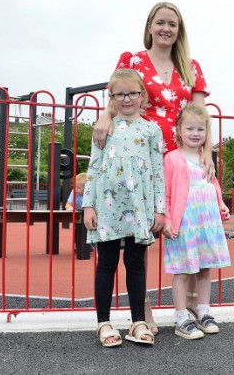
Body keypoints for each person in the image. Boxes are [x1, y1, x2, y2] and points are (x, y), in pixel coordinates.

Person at [92, 1, 215, 332]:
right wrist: (105, 116)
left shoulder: (191, 66)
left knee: (185, 227)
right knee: (141, 232)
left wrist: (207, 151)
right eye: (160, 22)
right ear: (149, 26)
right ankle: (141, 308)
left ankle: (190, 301)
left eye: (172, 24)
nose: (166, 28)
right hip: (142, 158)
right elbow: (118, 95)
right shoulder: (131, 60)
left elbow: (200, 114)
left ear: (179, 30)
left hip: (180, 160)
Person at [83, 69, 165, 347]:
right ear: (112, 97)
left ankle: (137, 322)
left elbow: (157, 172)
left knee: (135, 265)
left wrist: (159, 209)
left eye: (133, 93)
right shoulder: (103, 127)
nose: (127, 98)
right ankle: (103, 323)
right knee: (106, 264)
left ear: (142, 96)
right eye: (120, 94)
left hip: (139, 208)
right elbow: (93, 167)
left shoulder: (152, 130)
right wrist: (88, 206)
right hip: (107, 209)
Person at [163, 104, 231, 340]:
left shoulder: (206, 158)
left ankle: (203, 311)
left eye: (200, 129)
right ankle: (181, 317)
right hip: (185, 224)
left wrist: (220, 203)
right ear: (179, 130)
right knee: (182, 270)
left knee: (205, 269)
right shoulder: (172, 158)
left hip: (207, 223)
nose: (195, 133)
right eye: (189, 128)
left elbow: (211, 184)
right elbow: (168, 193)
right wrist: (168, 220)